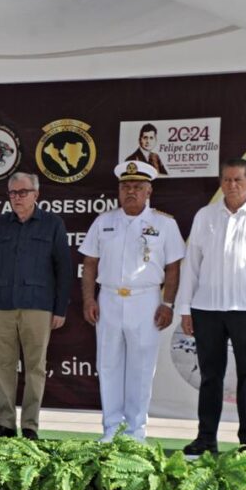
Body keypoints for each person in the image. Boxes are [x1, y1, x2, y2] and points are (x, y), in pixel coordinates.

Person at [176, 158, 246, 455]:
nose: (232, 185)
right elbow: (192, 265)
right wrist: (185, 308)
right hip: (206, 309)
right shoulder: (205, 215)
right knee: (211, 376)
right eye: (226, 180)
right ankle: (205, 438)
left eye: (238, 180)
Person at [80, 162, 184, 442]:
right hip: (110, 299)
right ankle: (111, 428)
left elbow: (173, 268)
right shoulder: (104, 222)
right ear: (119, 190)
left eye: (138, 187)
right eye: (126, 187)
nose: (131, 192)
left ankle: (136, 431)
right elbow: (90, 263)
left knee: (140, 369)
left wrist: (168, 303)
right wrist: (89, 298)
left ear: (149, 191)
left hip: (146, 301)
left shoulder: (165, 223)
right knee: (109, 365)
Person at [0, 172, 72, 441]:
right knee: (3, 365)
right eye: (13, 193)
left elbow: (63, 268)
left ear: (36, 194)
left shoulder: (52, 224)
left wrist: (60, 308)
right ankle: (6, 424)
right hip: (2, 305)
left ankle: (30, 426)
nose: (17, 198)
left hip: (38, 306)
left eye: (23, 192)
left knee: (35, 367)